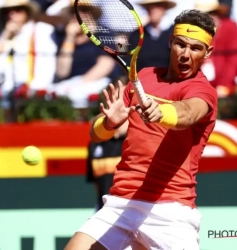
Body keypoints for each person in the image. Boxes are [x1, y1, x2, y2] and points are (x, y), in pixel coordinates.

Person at [65, 9, 218, 250]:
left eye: (195, 48)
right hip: (121, 204)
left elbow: (188, 113)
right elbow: (95, 134)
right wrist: (109, 122)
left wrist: (162, 113)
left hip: (169, 211)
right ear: (171, 43)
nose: (186, 54)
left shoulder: (203, 91)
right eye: (180, 45)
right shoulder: (144, 77)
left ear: (207, 52)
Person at [86, 76, 129, 211]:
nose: (117, 104)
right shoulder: (95, 144)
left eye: (122, 98)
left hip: (134, 214)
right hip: (103, 212)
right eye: (113, 98)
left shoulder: (140, 138)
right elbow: (97, 185)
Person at [196, 0, 237, 98]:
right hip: (201, 85)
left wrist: (224, 84)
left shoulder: (230, 27)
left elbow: (234, 60)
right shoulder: (197, 32)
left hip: (225, 86)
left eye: (212, 13)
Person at [129, 0, 176, 71]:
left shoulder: (176, 34)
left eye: (157, 6)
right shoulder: (136, 36)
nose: (152, 10)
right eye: (149, 6)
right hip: (142, 79)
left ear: (165, 8)